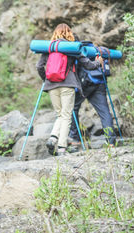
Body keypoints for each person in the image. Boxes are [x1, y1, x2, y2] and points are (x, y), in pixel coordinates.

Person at [36, 23, 87, 156]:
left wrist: (46, 79)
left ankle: (53, 137)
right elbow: (86, 63)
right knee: (66, 116)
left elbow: (39, 66)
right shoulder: (71, 47)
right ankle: (61, 148)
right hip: (67, 85)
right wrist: (97, 63)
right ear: (69, 33)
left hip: (51, 85)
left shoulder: (49, 47)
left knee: (60, 114)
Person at [68, 42, 116, 151]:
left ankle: (75, 139)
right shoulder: (94, 49)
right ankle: (111, 141)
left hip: (85, 84)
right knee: (104, 111)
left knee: (73, 108)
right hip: (99, 83)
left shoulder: (75, 50)